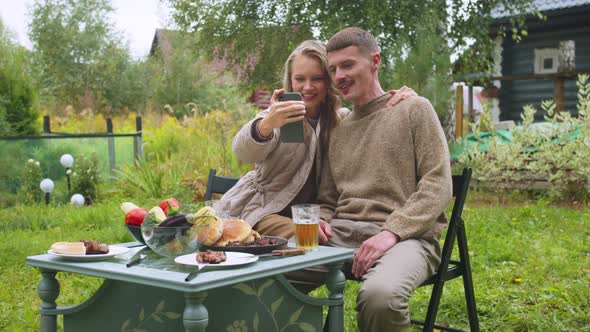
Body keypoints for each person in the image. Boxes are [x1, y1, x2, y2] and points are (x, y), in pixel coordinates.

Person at [311, 27, 452, 331]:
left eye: (348, 65)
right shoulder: (339, 127)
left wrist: (392, 232)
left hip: (407, 237)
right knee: (269, 273)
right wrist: (322, 217)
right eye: (333, 69)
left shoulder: (414, 108)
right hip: (340, 236)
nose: (338, 76)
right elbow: (328, 195)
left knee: (381, 296)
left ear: (374, 61)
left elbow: (438, 183)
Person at [214, 40, 416, 239]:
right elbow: (243, 152)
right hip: (262, 211)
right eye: (300, 78)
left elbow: (371, 117)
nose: (307, 87)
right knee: (309, 235)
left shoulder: (340, 119)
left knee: (317, 234)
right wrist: (266, 124)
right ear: (290, 80)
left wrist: (405, 99)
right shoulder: (278, 116)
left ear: (329, 81)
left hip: (312, 215)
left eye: (317, 78)